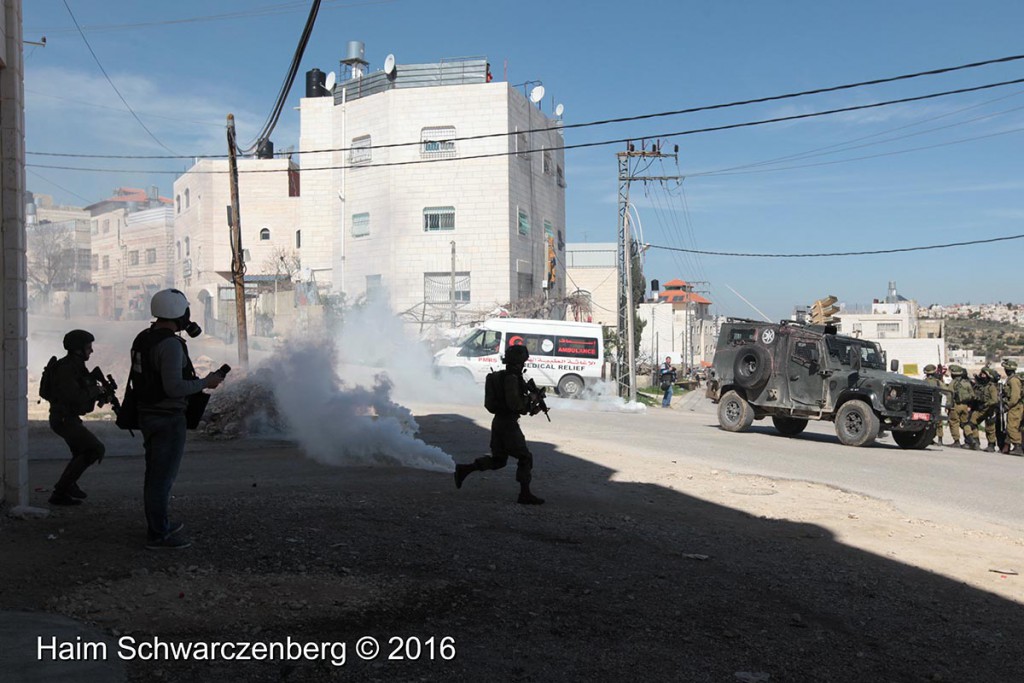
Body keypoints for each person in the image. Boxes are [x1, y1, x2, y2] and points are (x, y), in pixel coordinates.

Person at [131, 289, 224, 549]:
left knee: (155, 475)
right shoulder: (170, 344)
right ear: (178, 312)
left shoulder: (144, 338)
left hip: (148, 414)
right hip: (167, 417)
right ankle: (159, 534)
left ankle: (159, 524)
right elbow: (173, 388)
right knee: (161, 478)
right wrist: (206, 382)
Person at [453, 344, 544, 505]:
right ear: (518, 362)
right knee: (525, 457)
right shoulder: (511, 379)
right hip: (508, 424)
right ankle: (525, 494)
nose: (523, 365)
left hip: (499, 422)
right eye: (522, 362)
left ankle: (464, 470)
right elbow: (514, 404)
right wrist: (531, 399)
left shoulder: (501, 376)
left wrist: (531, 406)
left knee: (499, 460)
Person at [45, 330, 107, 506]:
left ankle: (62, 491)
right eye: (88, 347)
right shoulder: (66, 368)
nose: (91, 351)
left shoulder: (76, 365)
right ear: (78, 349)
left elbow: (81, 391)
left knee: (82, 452)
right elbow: (75, 396)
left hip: (68, 418)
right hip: (63, 419)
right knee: (94, 449)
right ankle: (63, 488)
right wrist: (97, 390)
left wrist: (101, 394)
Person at [966, 367, 999, 452]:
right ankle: (975, 441)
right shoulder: (979, 386)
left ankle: (991, 445)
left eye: (984, 374)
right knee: (971, 424)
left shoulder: (991, 387)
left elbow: (994, 400)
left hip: (989, 409)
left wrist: (986, 404)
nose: (982, 375)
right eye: (981, 374)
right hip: (979, 409)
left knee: (990, 428)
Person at [945, 365, 973, 449]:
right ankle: (971, 439)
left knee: (953, 422)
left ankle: (956, 441)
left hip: (955, 406)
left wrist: (948, 406)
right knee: (965, 423)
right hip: (965, 406)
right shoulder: (966, 383)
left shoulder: (952, 383)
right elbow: (972, 395)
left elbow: (949, 395)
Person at [922, 364, 950, 446]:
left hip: (926, 405)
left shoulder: (924, 382)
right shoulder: (938, 382)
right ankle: (940, 439)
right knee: (938, 422)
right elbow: (947, 391)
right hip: (936, 405)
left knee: (926, 422)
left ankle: (928, 438)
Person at [1001, 359, 1022, 456]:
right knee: (1010, 425)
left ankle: (1017, 446)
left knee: (1012, 426)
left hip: (1015, 406)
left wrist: (1008, 405)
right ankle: (1007, 446)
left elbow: (1015, 396)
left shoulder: (1014, 380)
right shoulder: (1011, 379)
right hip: (1014, 406)